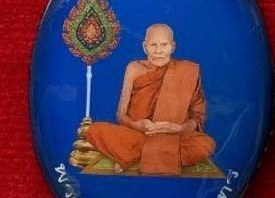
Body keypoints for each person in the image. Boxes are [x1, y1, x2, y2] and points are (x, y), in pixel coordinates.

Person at [87, 24, 216, 175]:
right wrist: (136, 125)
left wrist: (178, 128)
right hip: (138, 135)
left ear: (173, 47)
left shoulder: (188, 71)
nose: (158, 51)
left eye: (164, 45)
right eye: (153, 45)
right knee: (94, 130)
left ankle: (133, 155)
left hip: (174, 137)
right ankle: (156, 155)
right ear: (145, 47)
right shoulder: (134, 68)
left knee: (205, 145)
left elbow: (197, 117)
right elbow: (121, 115)